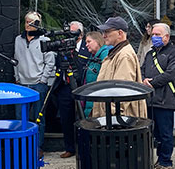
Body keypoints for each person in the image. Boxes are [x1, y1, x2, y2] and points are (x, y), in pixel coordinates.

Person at [142, 22, 175, 169]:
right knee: (155, 133)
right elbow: (142, 69)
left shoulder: (174, 53)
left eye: (158, 35)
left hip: (165, 99)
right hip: (151, 100)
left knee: (165, 134)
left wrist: (152, 82)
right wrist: (143, 79)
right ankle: (157, 160)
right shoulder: (150, 53)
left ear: (167, 36)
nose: (154, 37)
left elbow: (171, 73)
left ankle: (166, 162)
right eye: (153, 34)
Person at [13, 12, 55, 157]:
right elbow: (15, 59)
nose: (28, 24)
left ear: (38, 24)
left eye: (32, 22)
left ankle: (38, 146)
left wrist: (43, 80)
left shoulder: (45, 40)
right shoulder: (18, 39)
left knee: (38, 118)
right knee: (20, 117)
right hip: (22, 84)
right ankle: (20, 146)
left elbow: (50, 62)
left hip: (38, 84)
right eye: (26, 21)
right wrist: (17, 78)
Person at [91, 17, 145, 118]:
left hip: (119, 120)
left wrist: (111, 114)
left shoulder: (124, 56)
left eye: (107, 31)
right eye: (103, 32)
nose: (103, 35)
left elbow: (122, 90)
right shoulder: (115, 53)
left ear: (120, 33)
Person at [52, 20, 85, 158]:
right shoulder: (63, 46)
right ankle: (69, 147)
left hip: (81, 86)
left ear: (80, 34)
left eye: (72, 32)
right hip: (64, 86)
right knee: (66, 118)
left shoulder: (86, 47)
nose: (69, 36)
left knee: (82, 117)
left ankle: (84, 147)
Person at [81, 31, 112, 117]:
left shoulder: (105, 54)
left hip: (98, 99)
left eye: (89, 41)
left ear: (97, 41)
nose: (86, 45)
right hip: (91, 97)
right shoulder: (93, 57)